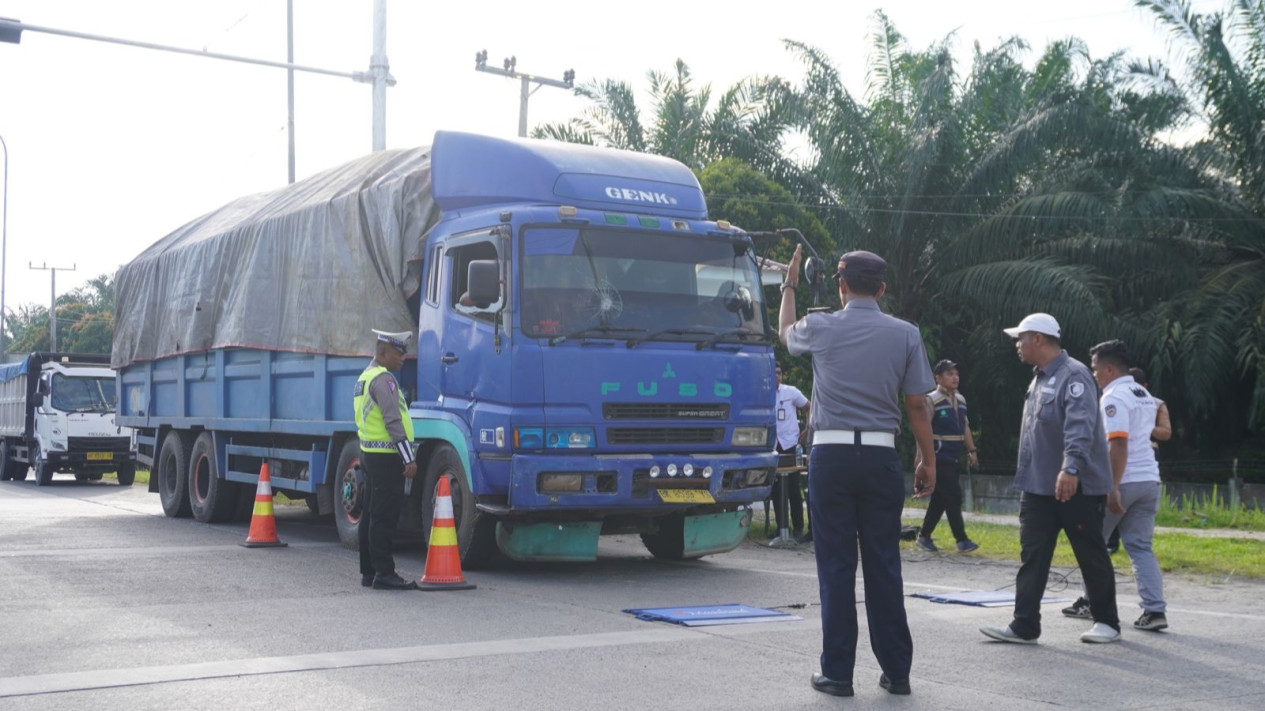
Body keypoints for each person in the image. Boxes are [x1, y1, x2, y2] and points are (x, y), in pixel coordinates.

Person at [780, 244, 937, 698]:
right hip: (881, 456)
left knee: (836, 566)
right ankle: (897, 672)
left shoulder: (822, 326)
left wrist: (791, 281)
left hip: (830, 458)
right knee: (883, 564)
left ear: (842, 286)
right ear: (883, 289)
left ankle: (838, 673)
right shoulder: (906, 334)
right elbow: (917, 404)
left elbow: (785, 332)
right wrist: (926, 459)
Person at [981, 313, 1121, 645]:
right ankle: (1024, 624)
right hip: (1038, 486)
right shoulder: (1039, 378)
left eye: (1021, 338)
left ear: (1038, 339)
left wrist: (1071, 468)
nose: (1018, 344)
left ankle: (1108, 622)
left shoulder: (1074, 375)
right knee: (1033, 555)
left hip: (1075, 486)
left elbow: (1080, 424)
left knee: (1090, 552)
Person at [1061, 341, 1168, 631]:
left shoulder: (1114, 397)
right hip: (1148, 479)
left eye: (1095, 370)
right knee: (1141, 547)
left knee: (1093, 545)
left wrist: (1112, 486)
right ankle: (1155, 611)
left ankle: (1089, 601)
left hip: (1124, 480)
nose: (1094, 375)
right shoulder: (1143, 393)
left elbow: (1117, 444)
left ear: (1109, 369)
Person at [354, 329, 419, 591]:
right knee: (384, 516)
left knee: (370, 514)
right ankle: (384, 573)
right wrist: (409, 458)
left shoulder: (364, 378)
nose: (403, 357)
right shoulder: (384, 380)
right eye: (398, 352)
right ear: (383, 353)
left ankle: (369, 571)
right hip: (386, 457)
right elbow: (393, 421)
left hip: (370, 453)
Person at [915, 360, 980, 553]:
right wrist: (921, 459)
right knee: (953, 496)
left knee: (941, 499)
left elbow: (965, 427)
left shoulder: (960, 400)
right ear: (938, 378)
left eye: (956, 374)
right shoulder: (931, 400)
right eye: (950, 374)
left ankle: (924, 537)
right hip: (938, 456)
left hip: (954, 456)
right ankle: (962, 539)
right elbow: (922, 430)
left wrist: (972, 451)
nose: (955, 377)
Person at [1106, 365, 1171, 553]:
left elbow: (1166, 433)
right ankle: (1112, 543)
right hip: (1122, 458)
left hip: (1143, 459)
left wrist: (1142, 427)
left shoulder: (1156, 403)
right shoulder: (1114, 398)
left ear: (1144, 386)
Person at [771, 363, 810, 541]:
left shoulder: (791, 392)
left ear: (782, 375)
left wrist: (808, 428)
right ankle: (781, 528)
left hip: (790, 444)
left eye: (779, 373)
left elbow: (809, 406)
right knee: (776, 489)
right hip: (772, 445)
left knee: (793, 489)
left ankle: (798, 528)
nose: (776, 376)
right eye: (773, 373)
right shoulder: (763, 393)